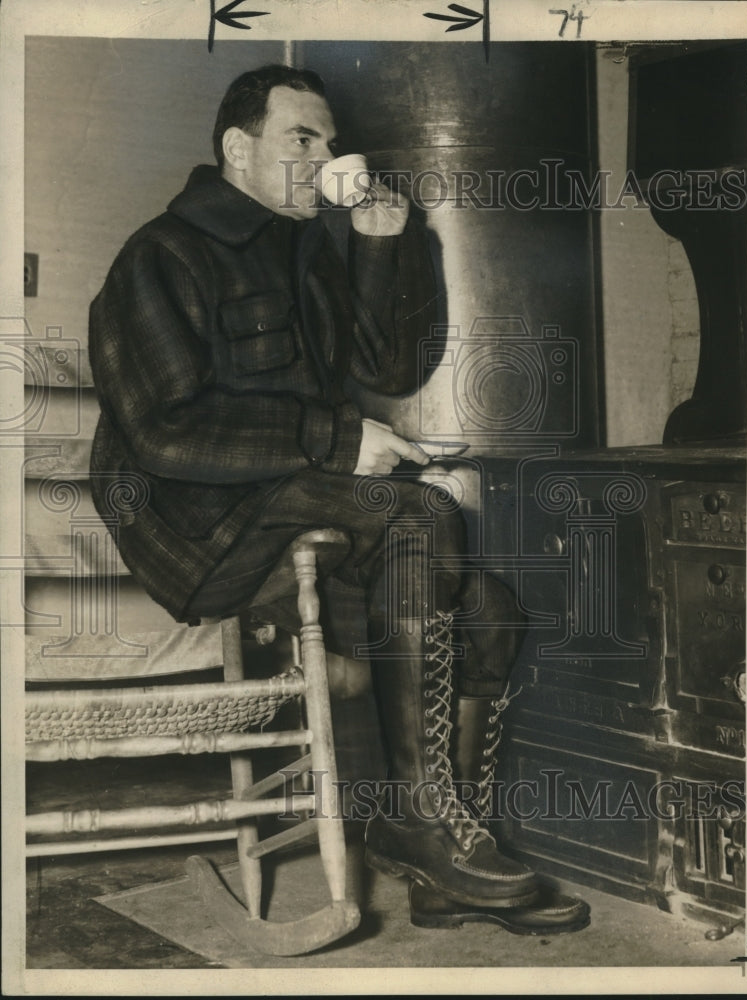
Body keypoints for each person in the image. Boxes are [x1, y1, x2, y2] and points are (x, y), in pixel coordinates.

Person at [89, 64, 588, 934]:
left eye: (328, 140)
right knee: (420, 511)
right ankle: (420, 823)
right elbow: (164, 435)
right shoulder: (159, 255)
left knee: (494, 612)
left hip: (304, 515)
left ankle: (445, 862)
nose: (326, 157)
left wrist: (381, 243)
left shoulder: (306, 250)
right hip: (201, 531)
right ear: (237, 150)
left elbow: (389, 369)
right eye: (303, 139)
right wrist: (339, 442)